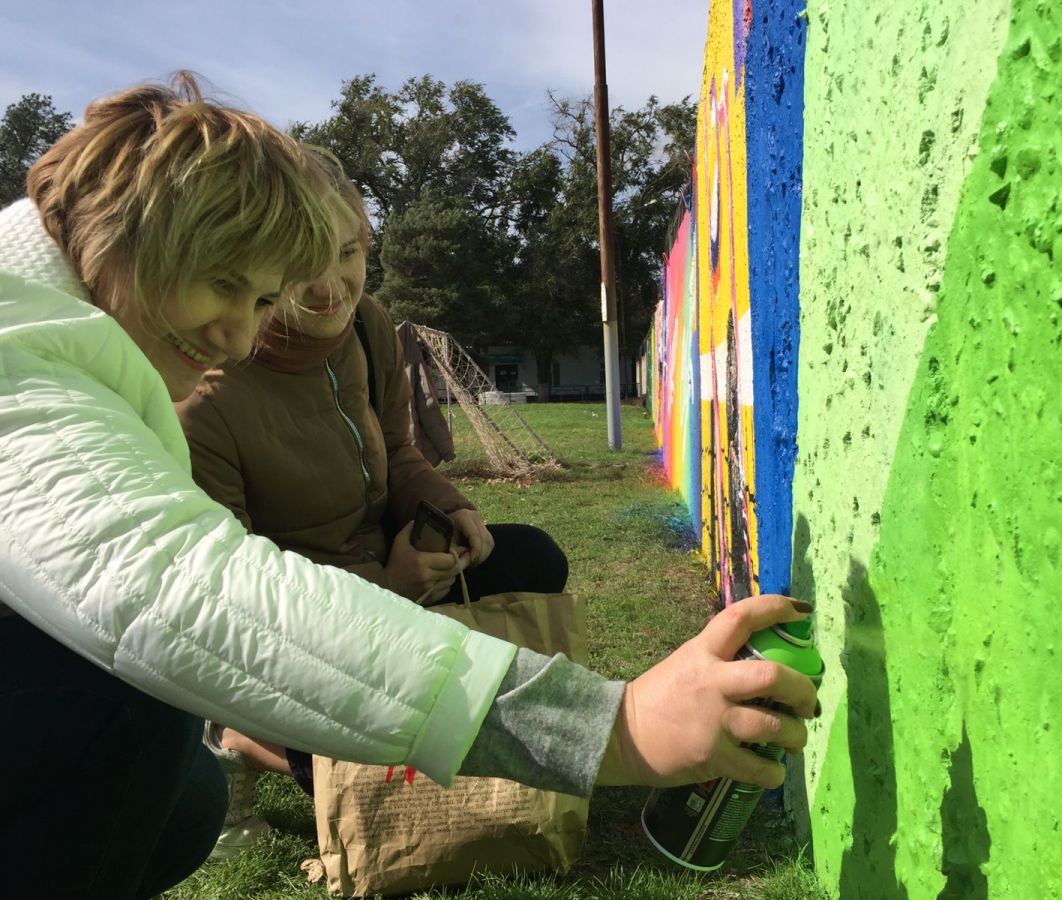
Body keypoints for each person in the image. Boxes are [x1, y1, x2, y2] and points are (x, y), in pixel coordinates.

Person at [0, 74, 817, 900]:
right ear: (142, 235)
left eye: (260, 300)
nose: (242, 336)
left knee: (185, 798)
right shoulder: (22, 358)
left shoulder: (127, 340)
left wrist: (442, 513)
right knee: (132, 701)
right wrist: (612, 724)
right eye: (225, 286)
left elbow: (393, 452)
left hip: (356, 580)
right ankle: (258, 741)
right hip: (314, 587)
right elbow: (182, 592)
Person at [175, 150, 572, 855]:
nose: (332, 287)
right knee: (359, 771)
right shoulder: (206, 399)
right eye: (301, 268)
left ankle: (409, 681)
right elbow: (232, 591)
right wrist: (383, 587)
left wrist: (450, 508)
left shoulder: (368, 327)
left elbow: (402, 450)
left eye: (350, 253)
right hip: (300, 625)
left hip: (393, 567)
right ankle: (240, 736)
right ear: (260, 269)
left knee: (534, 557)